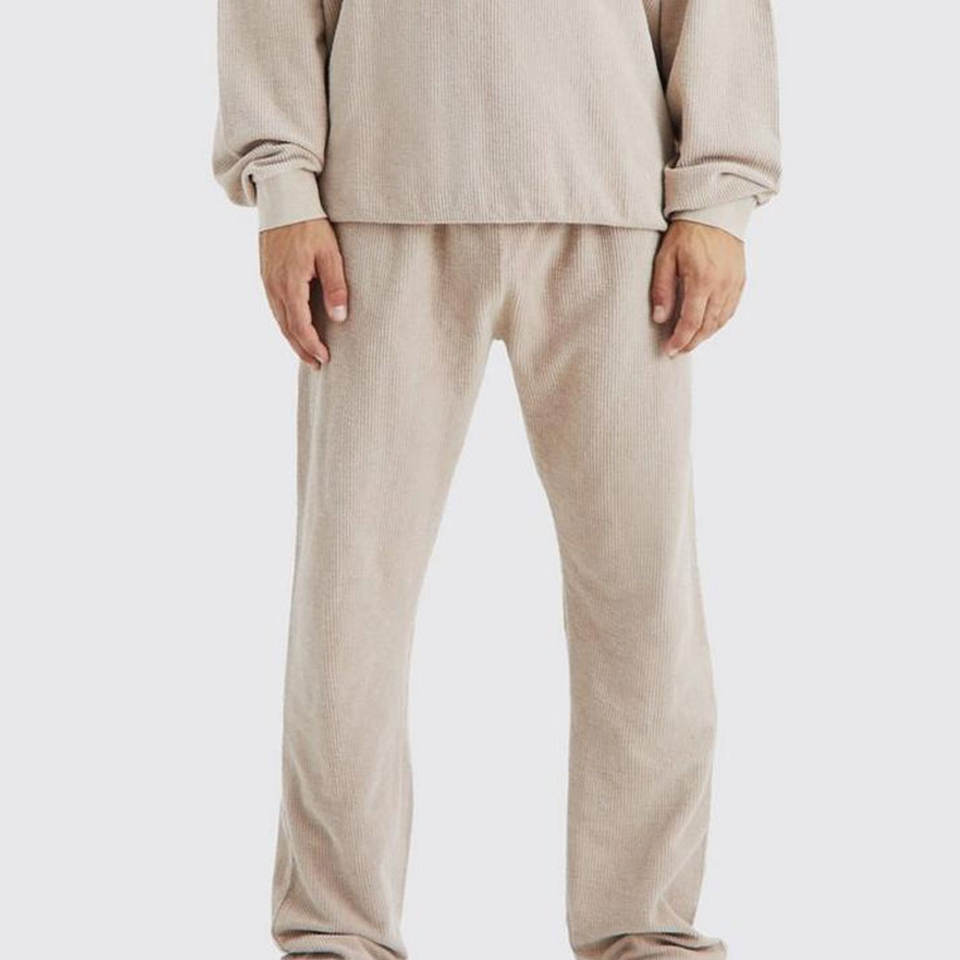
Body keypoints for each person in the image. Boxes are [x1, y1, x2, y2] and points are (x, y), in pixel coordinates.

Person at [213, 1, 780, 957]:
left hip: (612, 196)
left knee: (642, 597)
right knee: (350, 597)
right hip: (378, 195)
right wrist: (285, 184)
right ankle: (334, 933)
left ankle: (645, 929)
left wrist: (718, 197)